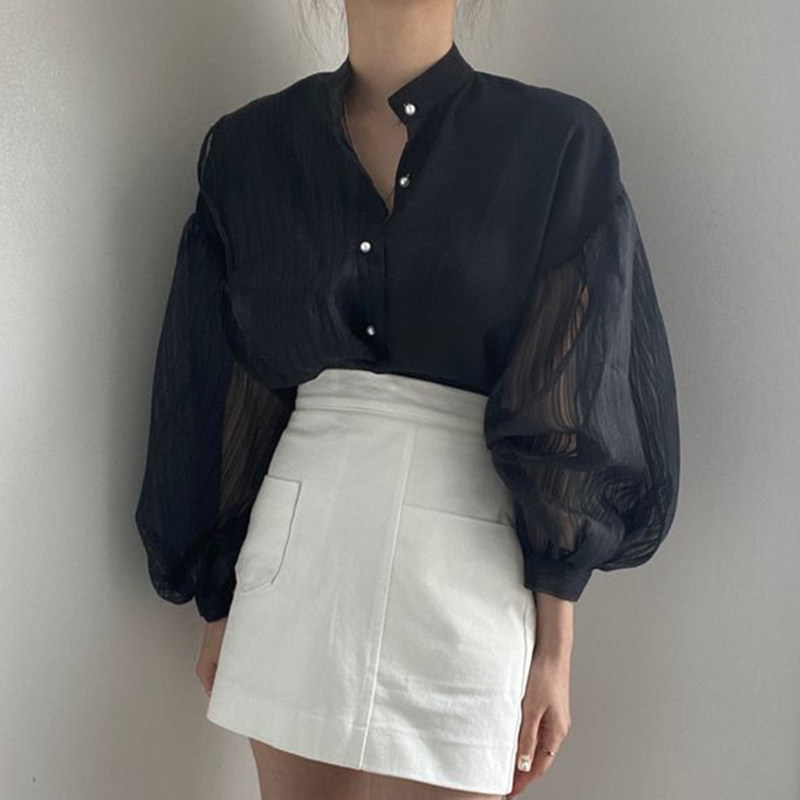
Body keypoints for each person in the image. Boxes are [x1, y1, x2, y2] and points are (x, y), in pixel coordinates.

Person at [133, 1, 680, 798]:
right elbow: (221, 380)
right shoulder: (251, 148)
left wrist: (554, 646)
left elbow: (571, 402)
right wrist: (219, 602)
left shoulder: (554, 143)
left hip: (470, 571)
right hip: (298, 566)